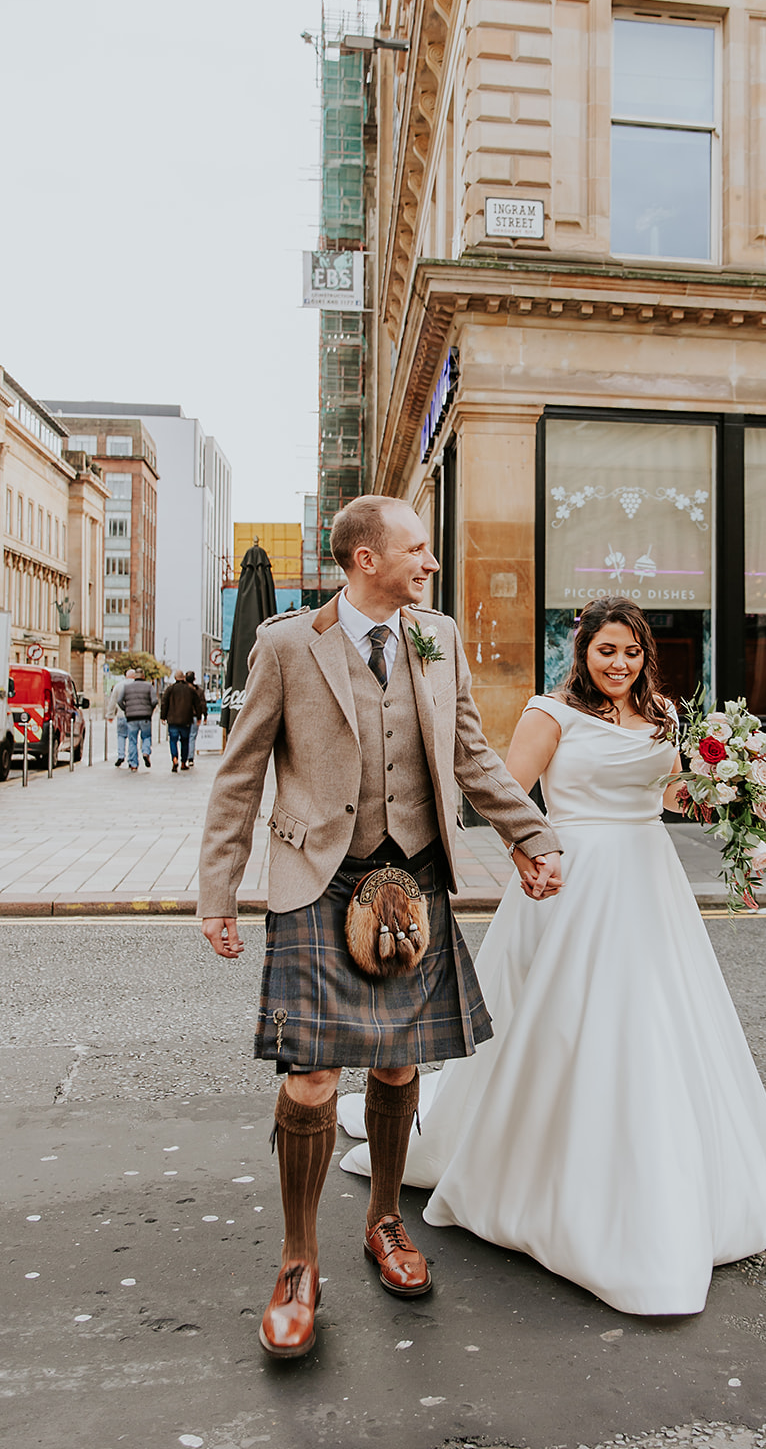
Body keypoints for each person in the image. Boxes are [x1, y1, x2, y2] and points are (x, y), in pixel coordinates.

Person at [338, 596, 766, 1316]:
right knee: (557, 1017)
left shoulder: (666, 716)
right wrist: (526, 850)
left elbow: (670, 795)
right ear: (584, 651)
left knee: (654, 1015)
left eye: (632, 652)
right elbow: (506, 794)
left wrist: (729, 786)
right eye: (606, 650)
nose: (619, 664)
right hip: (571, 876)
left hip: (647, 879)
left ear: (647, 657)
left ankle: (656, 1153)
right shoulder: (550, 713)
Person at [197, 494, 562, 1360]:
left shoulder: (435, 637)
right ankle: (296, 1262)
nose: (429, 563)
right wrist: (218, 891)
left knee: (399, 1061)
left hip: (416, 876)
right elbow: (240, 773)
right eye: (417, 550)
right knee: (312, 1078)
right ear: (366, 558)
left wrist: (530, 836)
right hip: (319, 879)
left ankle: (386, 1221)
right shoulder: (287, 643)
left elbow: (470, 752)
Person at [117, 668, 157, 771]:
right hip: (145, 717)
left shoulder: (127, 687)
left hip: (131, 718)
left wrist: (126, 709)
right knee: (146, 737)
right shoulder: (149, 686)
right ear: (143, 676)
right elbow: (155, 701)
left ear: (135, 676)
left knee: (132, 740)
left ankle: (133, 764)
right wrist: (150, 710)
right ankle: (145, 752)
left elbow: (119, 700)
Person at [160, 673, 199, 771]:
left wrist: (163, 717)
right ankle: (183, 762)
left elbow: (164, 703)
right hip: (186, 720)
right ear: (184, 678)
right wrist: (199, 716)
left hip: (173, 720)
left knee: (173, 740)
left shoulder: (170, 689)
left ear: (175, 678)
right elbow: (197, 703)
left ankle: (174, 758)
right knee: (185, 741)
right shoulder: (190, 689)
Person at [106, 670, 134, 767]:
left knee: (121, 735)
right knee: (132, 738)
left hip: (121, 715)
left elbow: (113, 701)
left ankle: (121, 755)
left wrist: (110, 715)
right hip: (133, 716)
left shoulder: (118, 685)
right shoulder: (137, 685)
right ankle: (131, 759)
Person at [185, 671, 207, 765]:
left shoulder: (183, 690)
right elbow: (202, 704)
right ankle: (190, 758)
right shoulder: (199, 690)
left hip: (184, 716)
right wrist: (204, 715)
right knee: (192, 737)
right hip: (194, 716)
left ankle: (183, 757)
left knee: (184, 737)